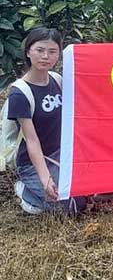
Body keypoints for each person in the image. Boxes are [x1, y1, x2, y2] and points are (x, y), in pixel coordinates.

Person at [4, 28, 86, 214]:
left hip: (61, 154)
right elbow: (31, 140)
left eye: (52, 51)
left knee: (88, 193)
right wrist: (45, 178)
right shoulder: (20, 93)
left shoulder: (57, 80)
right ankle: (25, 191)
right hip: (33, 162)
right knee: (70, 207)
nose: (45, 56)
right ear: (28, 52)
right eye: (39, 50)